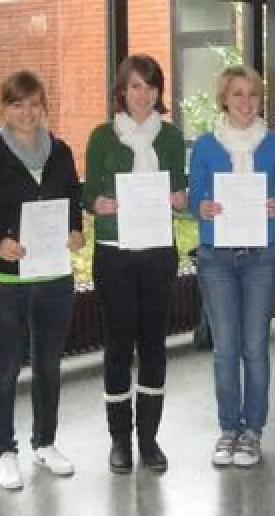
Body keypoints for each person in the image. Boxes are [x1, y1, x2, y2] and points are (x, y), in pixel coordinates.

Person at [0, 70, 85, 490]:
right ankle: (3, 452)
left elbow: (73, 200)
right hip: (4, 281)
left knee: (48, 365)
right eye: (17, 104)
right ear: (4, 108)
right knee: (5, 368)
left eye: (34, 103)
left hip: (54, 277)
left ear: (44, 105)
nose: (27, 112)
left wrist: (76, 231)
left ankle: (45, 442)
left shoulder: (60, 151)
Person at [83, 54, 188, 475]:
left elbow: (180, 190)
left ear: (160, 91)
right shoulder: (102, 137)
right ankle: (119, 440)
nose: (144, 95)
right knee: (118, 346)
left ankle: (148, 438)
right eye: (135, 86)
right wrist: (98, 204)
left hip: (158, 251)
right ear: (122, 91)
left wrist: (179, 198)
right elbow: (87, 194)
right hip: (115, 252)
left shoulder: (172, 138)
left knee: (154, 346)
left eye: (151, 86)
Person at [188, 66, 275, 469]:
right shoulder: (205, 146)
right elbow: (194, 197)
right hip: (217, 258)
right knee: (225, 348)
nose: (246, 102)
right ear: (224, 99)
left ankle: (253, 431)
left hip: (262, 255)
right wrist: (202, 206)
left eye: (253, 95)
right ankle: (228, 428)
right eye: (238, 94)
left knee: (255, 346)